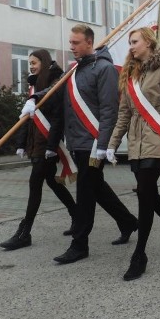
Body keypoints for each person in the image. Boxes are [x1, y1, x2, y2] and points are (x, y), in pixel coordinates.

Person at [22, 24, 139, 264]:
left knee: (85, 193)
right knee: (97, 189)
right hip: (76, 141)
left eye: (76, 43)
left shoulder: (104, 69)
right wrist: (35, 98)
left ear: (89, 43)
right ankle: (127, 222)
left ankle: (79, 244)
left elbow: (109, 110)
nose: (72, 47)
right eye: (70, 43)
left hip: (93, 143)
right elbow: (55, 90)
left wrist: (103, 144)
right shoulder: (75, 69)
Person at [107, 27, 160, 281]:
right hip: (136, 144)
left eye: (134, 42)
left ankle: (139, 255)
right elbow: (124, 114)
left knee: (144, 192)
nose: (131, 46)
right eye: (130, 42)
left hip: (158, 141)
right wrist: (112, 143)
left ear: (148, 43)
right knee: (149, 193)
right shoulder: (130, 75)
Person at [0, 50, 76, 251]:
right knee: (52, 181)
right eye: (29, 63)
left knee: (35, 184)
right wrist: (21, 142)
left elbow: (58, 117)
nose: (31, 66)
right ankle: (78, 216)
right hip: (36, 141)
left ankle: (24, 233)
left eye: (34, 63)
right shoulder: (34, 84)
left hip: (47, 143)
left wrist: (52, 146)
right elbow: (27, 116)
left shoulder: (56, 82)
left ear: (43, 62)